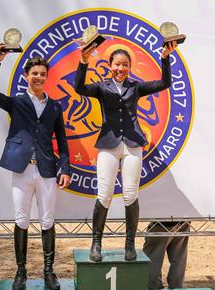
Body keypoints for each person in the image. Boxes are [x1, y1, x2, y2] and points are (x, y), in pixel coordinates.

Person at [75, 40, 178, 262]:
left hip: (132, 145)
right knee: (104, 194)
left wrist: (165, 57)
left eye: (125, 65)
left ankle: (130, 243)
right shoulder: (101, 87)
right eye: (117, 64)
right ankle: (96, 242)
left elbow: (165, 83)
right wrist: (83, 61)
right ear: (110, 65)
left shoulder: (136, 87)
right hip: (108, 145)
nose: (120, 68)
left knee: (131, 194)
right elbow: (79, 88)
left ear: (129, 67)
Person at [0, 43, 71, 290]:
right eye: (34, 73)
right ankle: (21, 271)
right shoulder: (17, 102)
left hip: (46, 170)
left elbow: (62, 140)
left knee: (47, 220)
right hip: (22, 170)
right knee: (21, 219)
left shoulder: (55, 106)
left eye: (42, 74)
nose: (39, 77)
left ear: (47, 77)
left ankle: (49, 271)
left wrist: (65, 168)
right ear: (26, 76)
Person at [143, 221, 190, 289]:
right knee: (179, 259)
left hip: (161, 223)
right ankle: (177, 288)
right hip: (182, 221)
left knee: (153, 257)